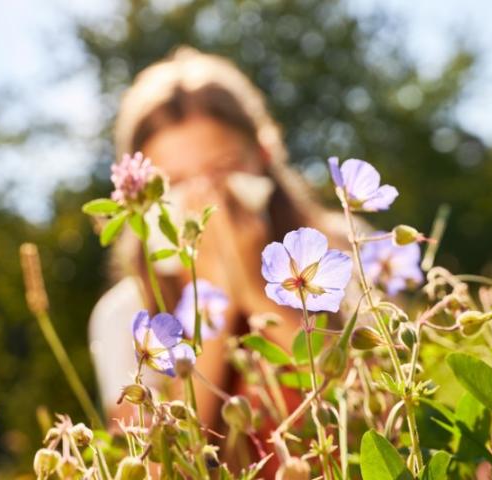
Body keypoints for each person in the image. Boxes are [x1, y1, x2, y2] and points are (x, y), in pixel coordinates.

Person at [88, 46, 353, 453]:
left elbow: (371, 408)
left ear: (263, 155)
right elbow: (158, 465)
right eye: (173, 182)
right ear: (138, 198)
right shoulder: (124, 313)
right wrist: (211, 303)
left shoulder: (337, 245)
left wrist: (251, 284)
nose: (202, 200)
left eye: (222, 169)